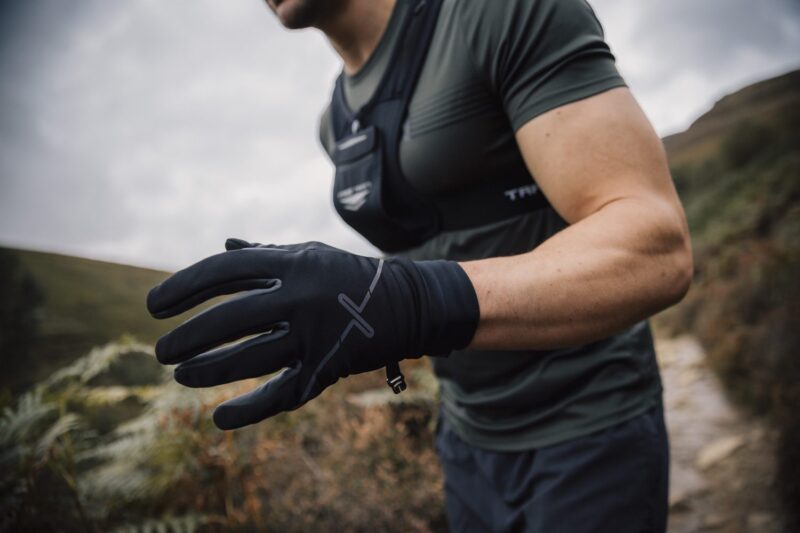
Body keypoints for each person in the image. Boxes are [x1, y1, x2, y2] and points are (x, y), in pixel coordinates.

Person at [146, 0, 693, 531]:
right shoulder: (335, 121)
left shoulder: (501, 13)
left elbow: (654, 246)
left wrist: (415, 300)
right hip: (465, 434)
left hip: (590, 425)